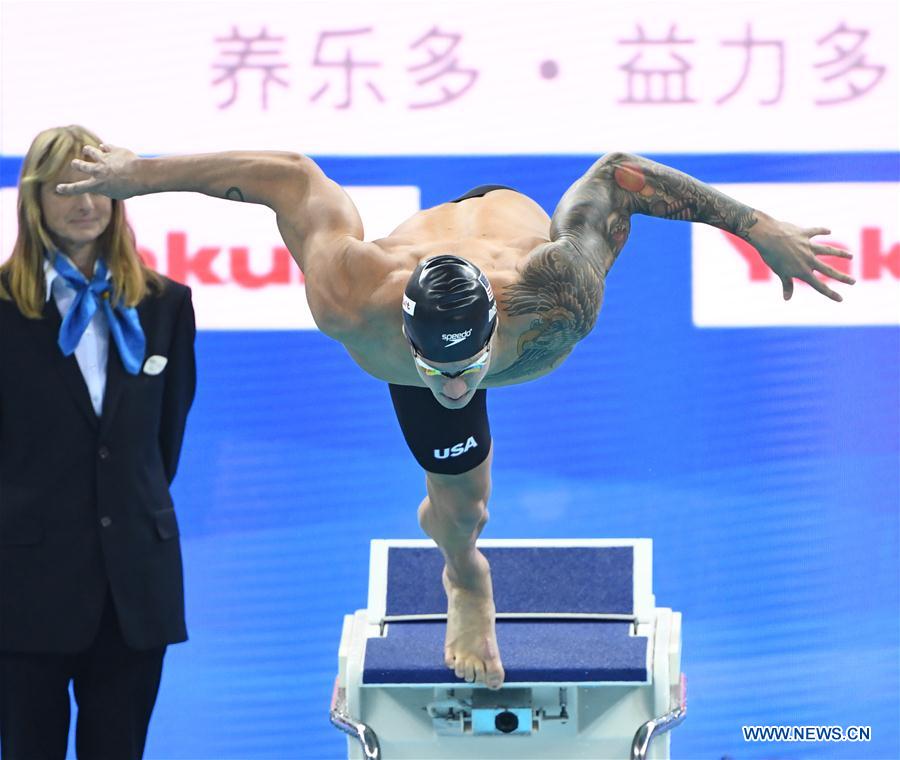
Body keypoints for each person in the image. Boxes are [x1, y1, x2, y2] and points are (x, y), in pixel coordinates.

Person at [57, 144, 853, 691]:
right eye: (433, 365)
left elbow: (619, 175)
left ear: (497, 332)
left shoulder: (557, 292)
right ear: (404, 332)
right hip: (419, 260)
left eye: (464, 367)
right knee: (462, 510)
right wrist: (138, 176)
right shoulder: (354, 295)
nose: (448, 383)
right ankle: (465, 573)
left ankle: (461, 543)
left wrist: (756, 229)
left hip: (504, 227)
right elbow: (289, 179)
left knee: (463, 483)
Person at [0, 126, 196, 759]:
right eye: (65, 186)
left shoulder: (166, 304)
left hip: (134, 584)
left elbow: (164, 444)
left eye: (98, 184)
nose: (84, 201)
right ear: (33, 200)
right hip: (25, 583)